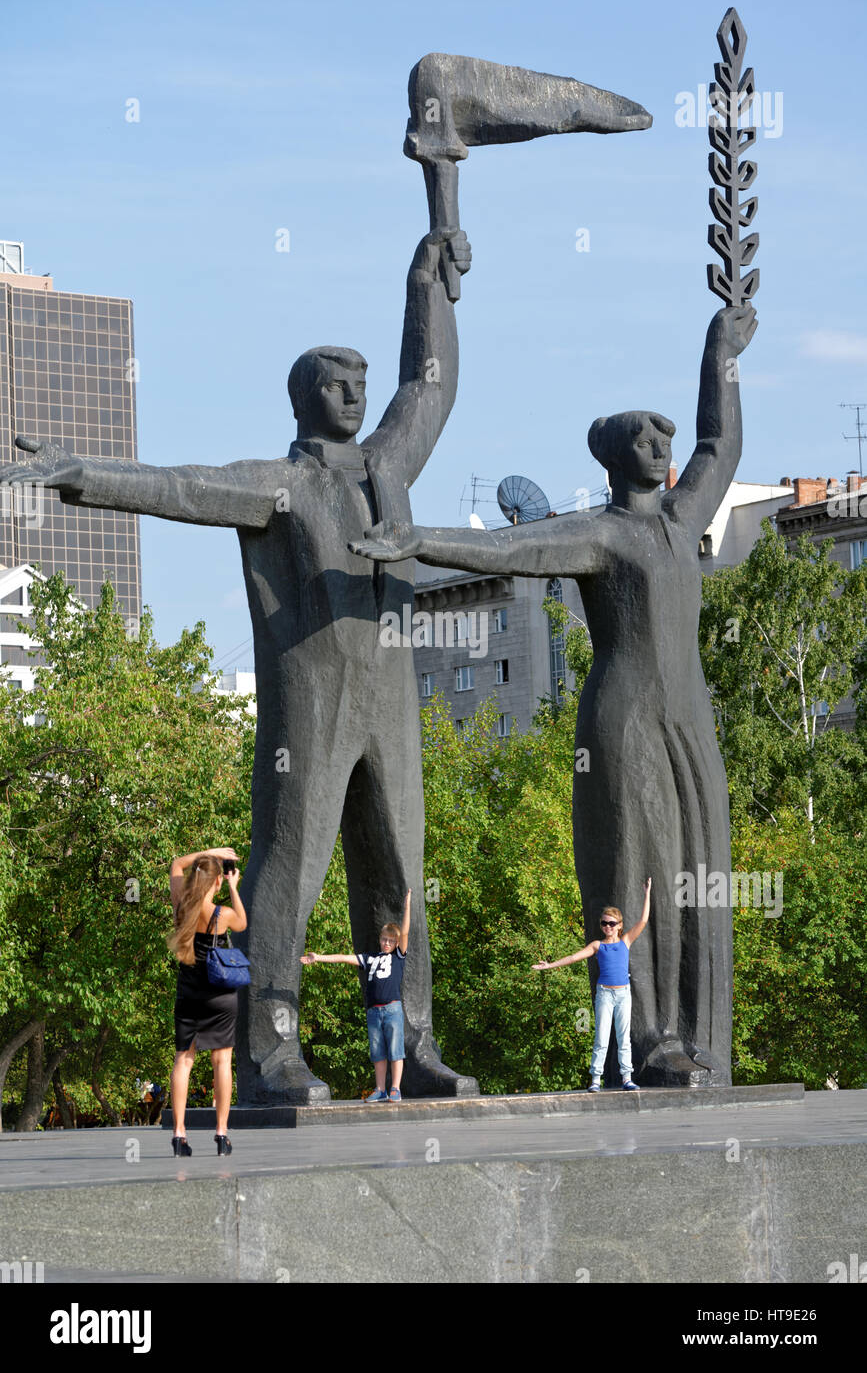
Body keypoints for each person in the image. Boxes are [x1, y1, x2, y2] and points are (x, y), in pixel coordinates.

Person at [1, 226, 473, 1107]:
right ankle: (270, 1050)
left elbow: (428, 387)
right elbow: (176, 486)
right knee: (289, 868)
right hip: (313, 700)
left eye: (356, 385)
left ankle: (414, 1045)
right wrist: (77, 476)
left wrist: (427, 280)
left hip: (390, 703)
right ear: (302, 400)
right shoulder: (277, 482)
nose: (352, 395)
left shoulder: (388, 464)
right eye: (335, 385)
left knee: (399, 875)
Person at [349, 303, 757, 1087]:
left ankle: (701, 1035)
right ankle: (648, 1040)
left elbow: (721, 443)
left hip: (689, 723)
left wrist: (720, 350)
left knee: (697, 867)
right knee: (635, 867)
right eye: (644, 439)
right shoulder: (600, 533)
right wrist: (420, 540)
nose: (661, 450)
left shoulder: (681, 521)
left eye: (662, 441)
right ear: (613, 459)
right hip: (625, 720)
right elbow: (510, 546)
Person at [533, 878, 651, 1091]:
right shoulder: (598, 946)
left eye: (612, 923)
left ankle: (627, 1078)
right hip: (605, 994)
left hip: (623, 994)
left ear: (619, 926)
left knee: (624, 1038)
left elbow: (643, 920)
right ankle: (596, 1079)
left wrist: (647, 893)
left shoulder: (625, 941)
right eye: (604, 923)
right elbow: (573, 957)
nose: (608, 927)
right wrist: (549, 966)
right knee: (601, 1038)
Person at [167, 847, 247, 1155]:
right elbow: (242, 922)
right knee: (222, 1061)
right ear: (215, 882)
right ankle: (222, 1134)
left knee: (183, 1061)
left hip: (189, 992)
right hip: (220, 996)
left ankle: (179, 1133)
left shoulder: (181, 906)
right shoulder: (221, 915)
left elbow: (176, 863)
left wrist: (208, 854)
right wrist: (233, 886)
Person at [300, 890, 411, 1101]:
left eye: (390, 941)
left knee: (396, 1049)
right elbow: (343, 957)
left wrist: (407, 906)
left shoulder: (398, 956)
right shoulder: (370, 958)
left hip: (392, 1008)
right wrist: (318, 957)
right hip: (373, 1011)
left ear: (396, 944)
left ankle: (395, 1088)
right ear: (380, 940)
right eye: (384, 939)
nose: (387, 943)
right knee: (378, 1052)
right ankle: (380, 1089)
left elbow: (404, 932)